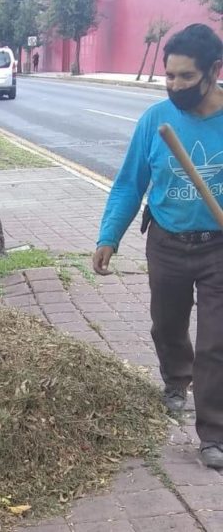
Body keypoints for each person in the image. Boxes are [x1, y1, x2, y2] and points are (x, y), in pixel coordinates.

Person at [92, 23, 223, 468]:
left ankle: (213, 434)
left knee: (215, 342)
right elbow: (130, 183)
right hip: (166, 240)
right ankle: (175, 380)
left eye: (186, 77)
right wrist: (109, 236)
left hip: (218, 247)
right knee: (167, 325)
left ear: (214, 71)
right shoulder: (156, 121)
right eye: (170, 76)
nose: (175, 85)